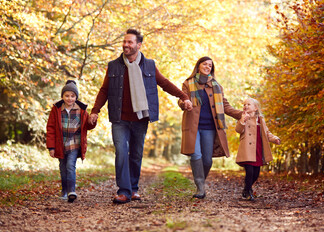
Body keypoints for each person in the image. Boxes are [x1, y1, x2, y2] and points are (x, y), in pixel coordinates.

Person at [88, 29, 192, 204]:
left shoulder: (149, 65)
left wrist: (183, 96)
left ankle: (134, 189)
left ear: (138, 45)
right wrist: (95, 110)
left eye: (130, 42)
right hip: (119, 118)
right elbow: (105, 90)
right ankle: (123, 191)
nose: (126, 45)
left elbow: (165, 83)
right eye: (125, 42)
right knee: (121, 152)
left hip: (140, 118)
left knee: (135, 154)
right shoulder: (114, 65)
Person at [178, 56, 242, 199]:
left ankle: (201, 180)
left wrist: (241, 114)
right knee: (196, 156)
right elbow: (182, 99)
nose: (207, 67)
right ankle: (200, 187)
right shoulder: (188, 83)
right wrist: (184, 103)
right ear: (198, 66)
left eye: (210, 65)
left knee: (207, 160)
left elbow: (225, 106)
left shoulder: (216, 86)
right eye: (205, 64)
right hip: (193, 127)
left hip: (210, 128)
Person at [46, 80, 96, 203]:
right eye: (67, 96)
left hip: (74, 143)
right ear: (62, 96)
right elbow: (51, 128)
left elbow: (87, 126)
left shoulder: (81, 109)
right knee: (63, 168)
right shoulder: (57, 109)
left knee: (70, 166)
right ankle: (64, 191)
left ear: (76, 97)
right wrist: (51, 147)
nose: (69, 99)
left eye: (72, 96)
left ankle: (71, 191)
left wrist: (92, 121)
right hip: (60, 144)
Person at [235, 98, 281, 201]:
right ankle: (248, 191)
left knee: (256, 174)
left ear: (255, 108)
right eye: (244, 104)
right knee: (250, 172)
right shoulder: (243, 118)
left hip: (258, 149)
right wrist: (243, 120)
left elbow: (266, 133)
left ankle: (246, 189)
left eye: (248, 104)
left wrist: (275, 139)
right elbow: (238, 130)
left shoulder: (260, 120)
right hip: (247, 150)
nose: (246, 106)